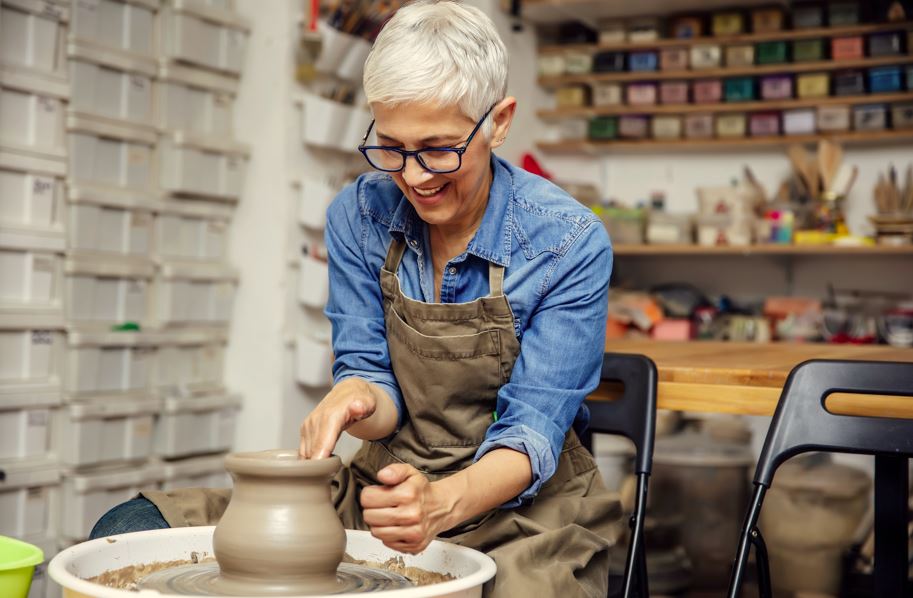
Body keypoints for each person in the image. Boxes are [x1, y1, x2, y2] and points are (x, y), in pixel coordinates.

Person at [90, 1, 620, 595]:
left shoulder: (568, 241)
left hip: (521, 511)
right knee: (126, 527)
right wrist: (356, 396)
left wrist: (440, 505)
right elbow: (377, 381)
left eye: (439, 148)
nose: (414, 176)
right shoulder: (361, 214)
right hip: (383, 488)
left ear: (499, 122)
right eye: (391, 146)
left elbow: (532, 432)